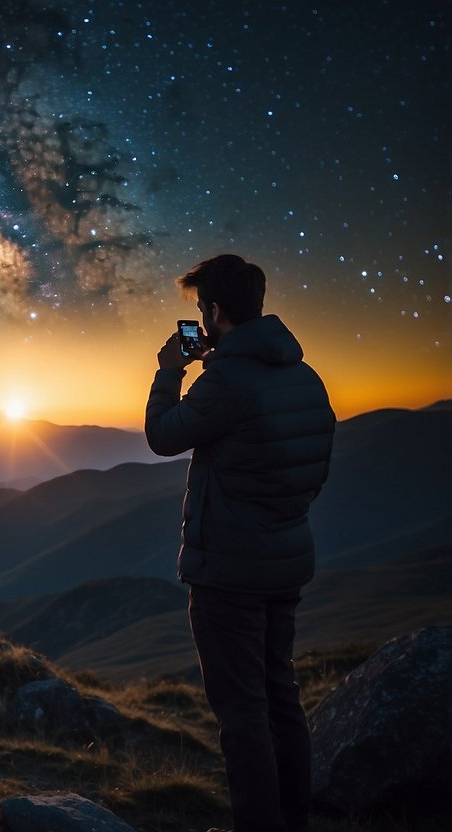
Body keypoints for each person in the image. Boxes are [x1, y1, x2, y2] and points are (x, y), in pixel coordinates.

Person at [144, 254, 336, 832]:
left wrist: (171, 369)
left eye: (202, 309)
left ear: (217, 310)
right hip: (285, 560)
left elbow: (162, 436)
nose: (200, 320)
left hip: (229, 572)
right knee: (281, 694)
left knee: (242, 713)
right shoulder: (304, 376)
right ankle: (292, 820)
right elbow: (314, 469)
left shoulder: (226, 382)